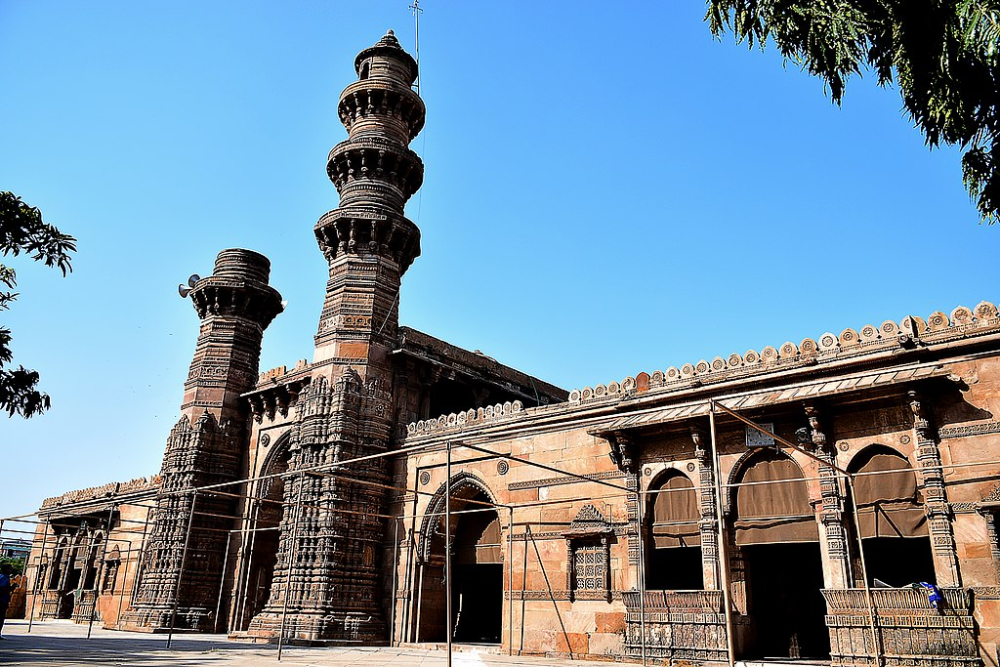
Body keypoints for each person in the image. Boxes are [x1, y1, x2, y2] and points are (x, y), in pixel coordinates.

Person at [0, 563, 15, 639]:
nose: (11, 570)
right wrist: (11, 588)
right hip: (2, 601)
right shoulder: (4, 578)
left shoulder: (4, 577)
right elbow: (3, 589)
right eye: (10, 569)